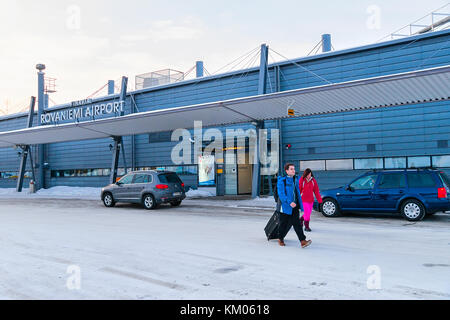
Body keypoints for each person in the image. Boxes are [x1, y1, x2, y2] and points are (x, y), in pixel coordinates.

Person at [276, 163, 312, 248]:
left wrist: (301, 207)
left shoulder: (295, 179)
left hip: (294, 206)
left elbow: (298, 193)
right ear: (286, 171)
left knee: (297, 224)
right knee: (283, 224)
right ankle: (280, 238)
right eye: (291, 169)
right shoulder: (282, 181)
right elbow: (281, 195)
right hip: (284, 207)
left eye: (294, 169)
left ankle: (303, 241)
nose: (293, 170)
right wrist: (289, 202)